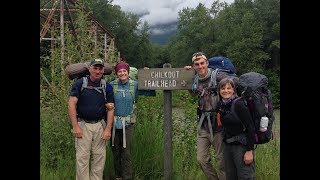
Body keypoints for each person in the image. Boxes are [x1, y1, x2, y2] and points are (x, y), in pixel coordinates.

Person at [68, 58, 115, 180]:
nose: (98, 71)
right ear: (89, 69)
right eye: (95, 68)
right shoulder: (80, 83)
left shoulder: (107, 86)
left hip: (100, 126)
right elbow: (71, 104)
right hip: (83, 125)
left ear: (103, 70)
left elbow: (111, 109)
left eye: (100, 69)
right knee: (82, 158)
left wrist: (108, 129)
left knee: (99, 158)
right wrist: (75, 126)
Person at [108, 62, 155, 180]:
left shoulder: (135, 85)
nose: (122, 73)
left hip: (128, 124)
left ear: (128, 72)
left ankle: (127, 177)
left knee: (126, 153)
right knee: (116, 152)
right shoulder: (111, 85)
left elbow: (151, 92)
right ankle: (118, 176)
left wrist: (148, 75)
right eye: (120, 71)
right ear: (116, 73)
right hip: (113, 124)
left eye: (124, 71)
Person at [185, 52, 226, 180]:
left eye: (202, 63)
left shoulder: (218, 77)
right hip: (203, 125)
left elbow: (231, 89)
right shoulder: (195, 79)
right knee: (201, 159)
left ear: (207, 63)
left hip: (219, 125)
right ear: (194, 66)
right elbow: (192, 93)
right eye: (197, 64)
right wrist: (187, 74)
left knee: (222, 161)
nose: (200, 66)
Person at [216, 78, 256, 180]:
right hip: (228, 145)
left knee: (245, 177)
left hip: (242, 146)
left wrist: (249, 151)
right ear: (219, 91)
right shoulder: (222, 105)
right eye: (223, 88)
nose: (226, 91)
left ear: (234, 90)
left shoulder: (239, 104)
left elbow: (251, 128)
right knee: (230, 176)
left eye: (229, 88)